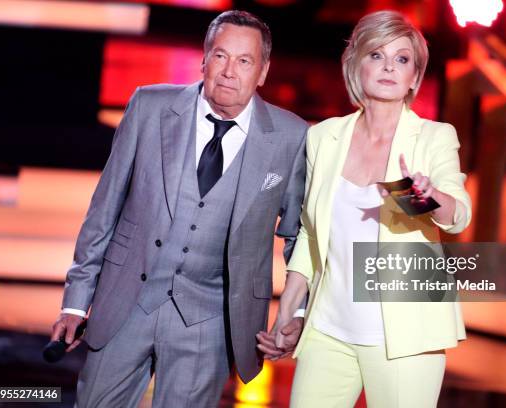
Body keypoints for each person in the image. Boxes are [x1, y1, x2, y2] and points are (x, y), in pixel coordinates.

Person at [50, 10, 307, 407]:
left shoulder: (292, 137)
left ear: (263, 71)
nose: (228, 71)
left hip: (211, 321)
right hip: (126, 305)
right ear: (204, 58)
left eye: (244, 61)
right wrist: (74, 301)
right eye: (220, 56)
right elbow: (105, 207)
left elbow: (297, 235)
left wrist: (295, 313)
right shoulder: (150, 107)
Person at [262, 10, 472, 407]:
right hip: (328, 331)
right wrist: (288, 312)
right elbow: (309, 232)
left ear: (414, 77)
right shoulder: (324, 137)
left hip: (405, 337)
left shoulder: (433, 137)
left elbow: (457, 216)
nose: (389, 66)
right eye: (376, 55)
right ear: (355, 65)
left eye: (402, 59)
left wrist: (420, 195)